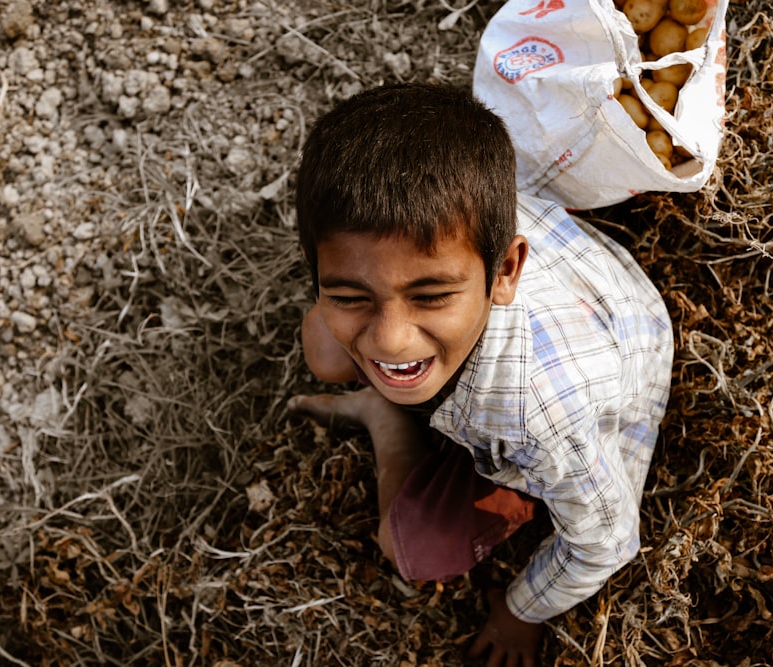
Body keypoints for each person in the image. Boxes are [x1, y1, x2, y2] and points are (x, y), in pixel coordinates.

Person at [288, 83, 673, 666]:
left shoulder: (540, 424)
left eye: (431, 295)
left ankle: (385, 419)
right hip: (568, 305)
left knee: (409, 549)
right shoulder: (456, 213)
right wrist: (388, 312)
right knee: (325, 346)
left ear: (505, 271)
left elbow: (606, 541)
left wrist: (519, 611)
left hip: (599, 361)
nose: (392, 336)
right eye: (348, 292)